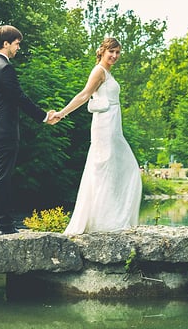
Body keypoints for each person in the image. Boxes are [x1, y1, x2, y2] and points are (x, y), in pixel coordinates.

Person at [0, 25, 58, 236]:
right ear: (6, 43)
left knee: (2, 178)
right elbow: (19, 97)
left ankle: (6, 225)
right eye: (17, 43)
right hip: (3, 131)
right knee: (0, 179)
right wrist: (45, 116)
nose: (19, 48)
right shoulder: (4, 67)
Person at [53, 37, 141, 235]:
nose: (115, 56)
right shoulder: (99, 71)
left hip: (113, 127)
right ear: (102, 50)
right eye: (112, 51)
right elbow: (84, 95)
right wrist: (62, 113)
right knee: (107, 170)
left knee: (123, 169)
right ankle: (105, 223)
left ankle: (111, 219)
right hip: (105, 128)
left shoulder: (107, 72)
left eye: (118, 52)